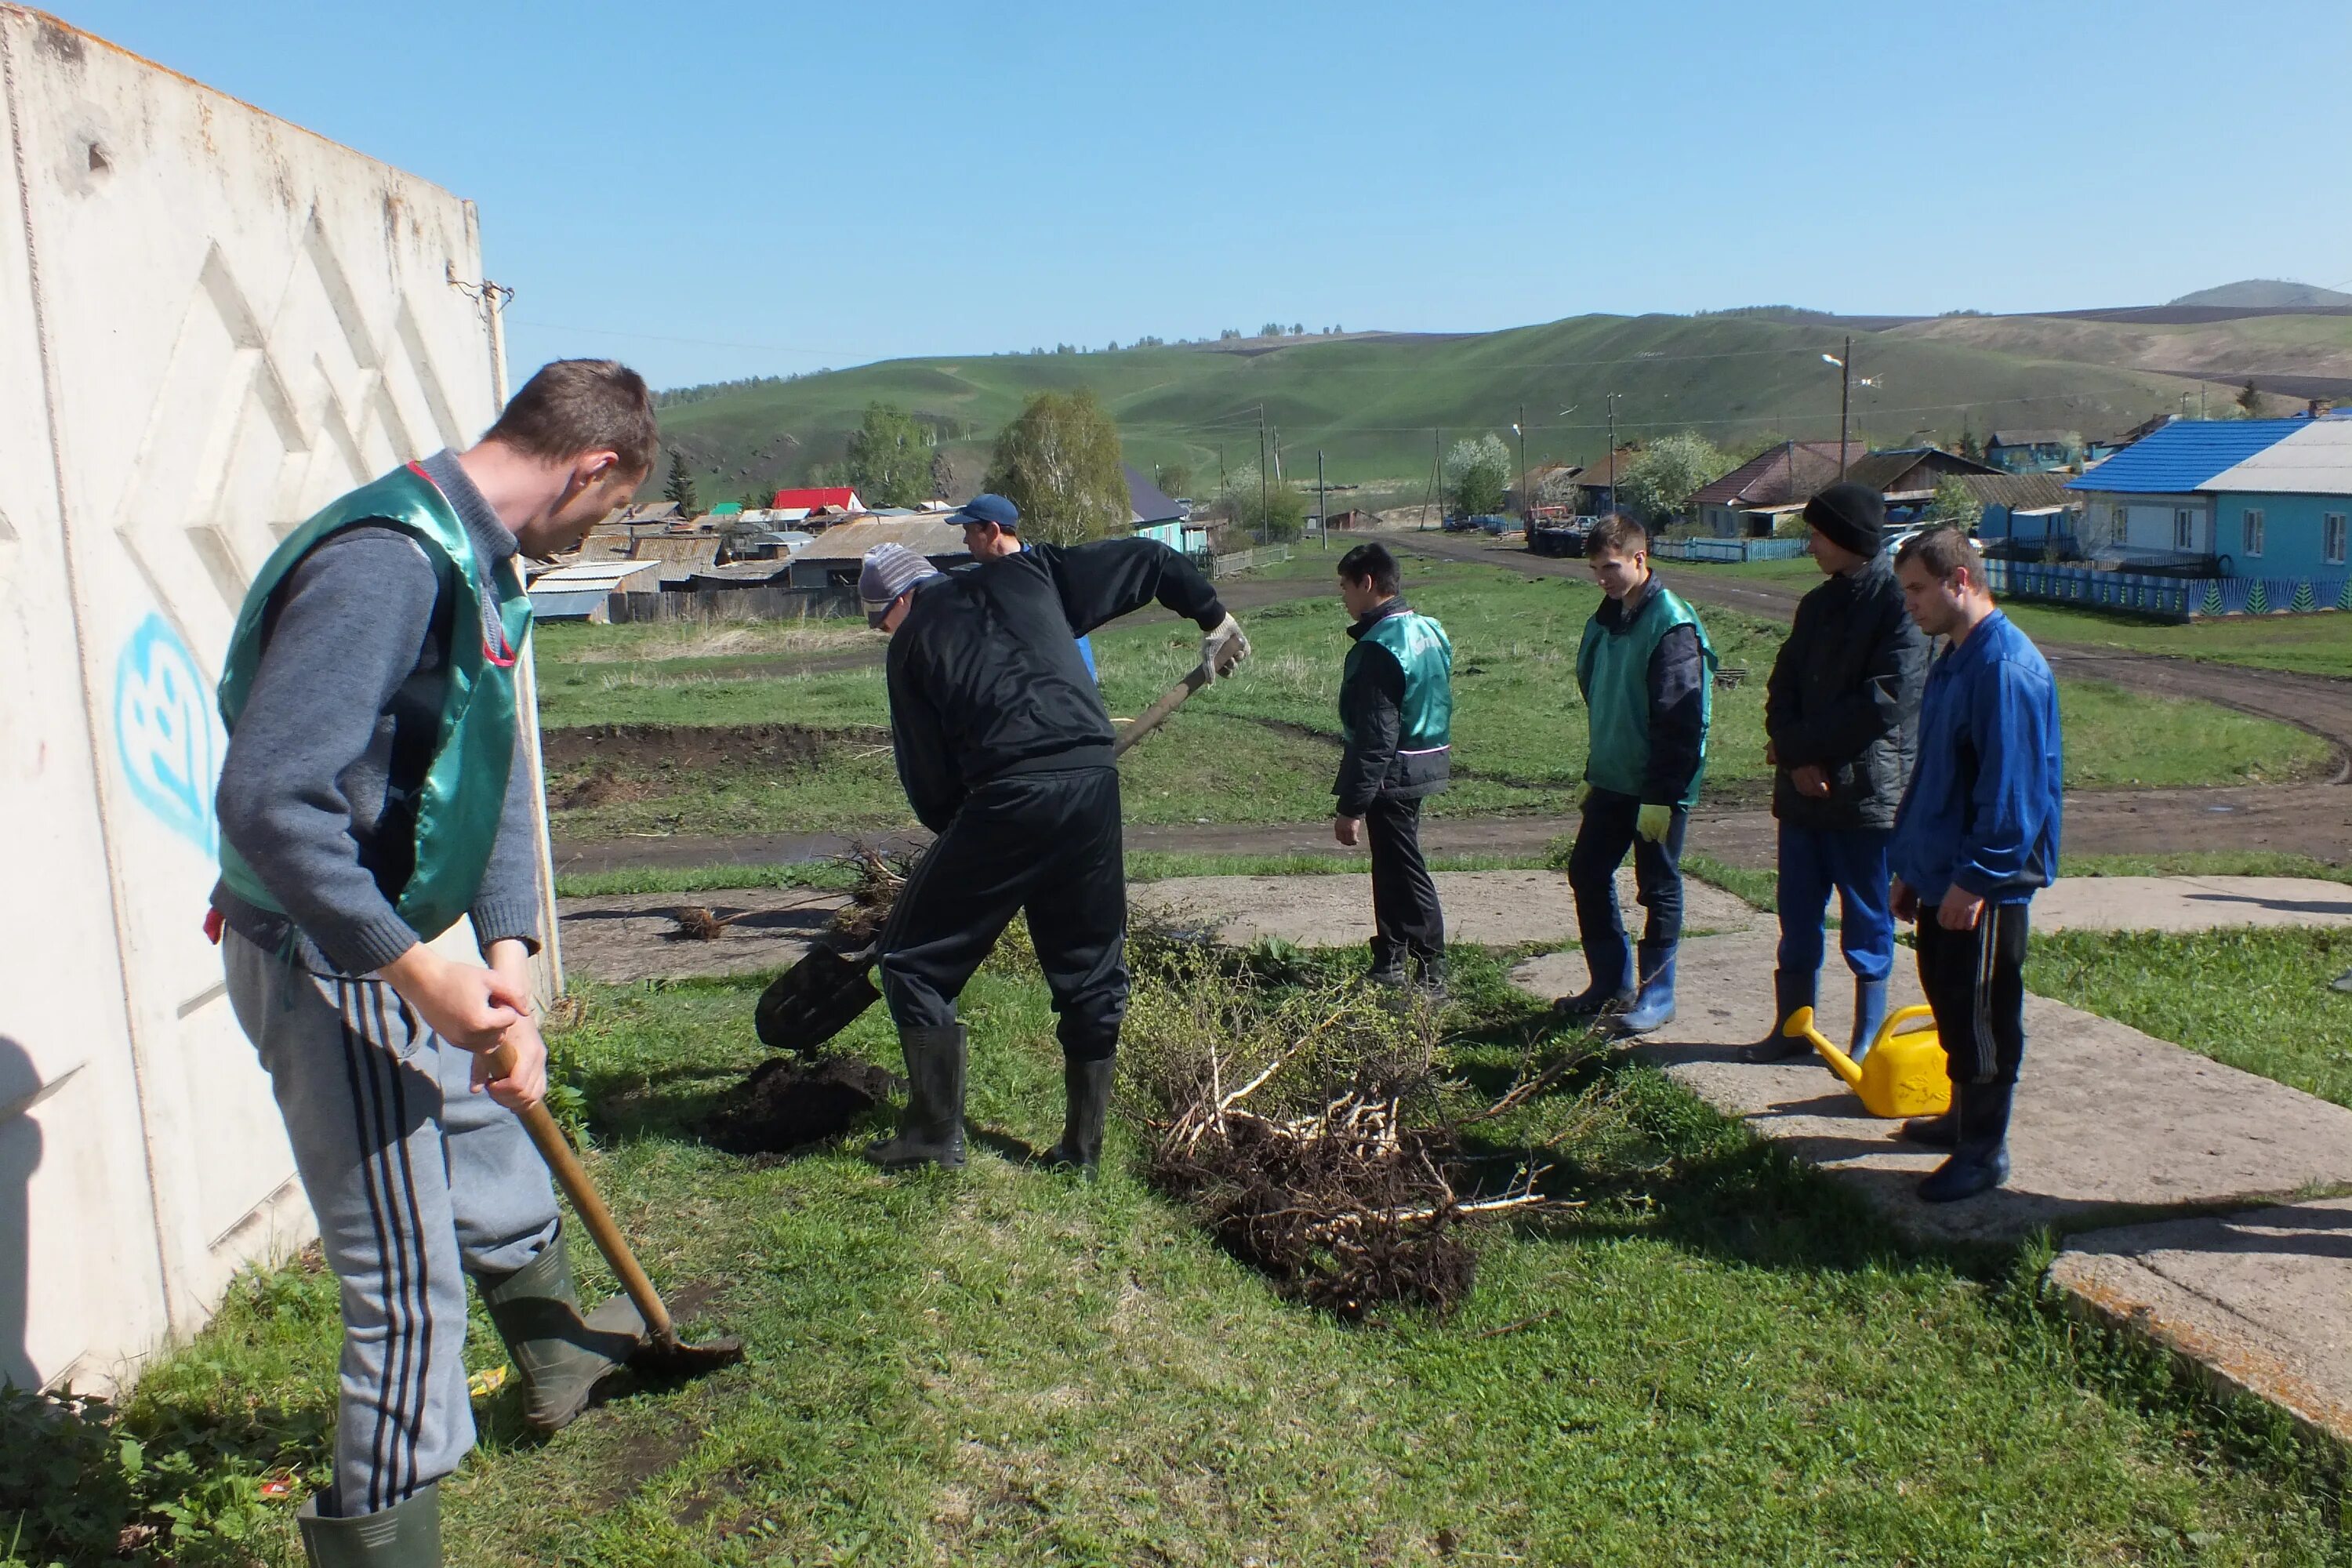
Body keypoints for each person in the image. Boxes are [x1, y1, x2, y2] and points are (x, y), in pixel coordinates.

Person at [211, 361, 659, 1564]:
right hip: (329, 957)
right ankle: (383, 1539)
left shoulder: (475, 562)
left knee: (489, 1144)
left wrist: (503, 960)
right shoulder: (388, 564)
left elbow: (491, 764)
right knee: (408, 1291)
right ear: (592, 465)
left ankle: (563, 1361)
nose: (602, 530)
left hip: (396, 941)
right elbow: (266, 798)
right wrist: (413, 971)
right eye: (612, 511)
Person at [857, 537, 1249, 1176]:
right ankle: (1081, 1153)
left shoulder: (912, 642)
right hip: (1093, 781)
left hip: (1008, 793)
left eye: (880, 620)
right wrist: (1212, 616)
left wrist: (972, 841)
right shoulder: (1030, 574)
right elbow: (1151, 561)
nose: (884, 632)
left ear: (900, 599)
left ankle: (933, 1134)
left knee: (912, 961)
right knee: (1091, 970)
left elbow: (929, 785)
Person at [1888, 527, 2063, 1203]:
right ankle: (1961, 1120)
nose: (1910, 605)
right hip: (1945, 870)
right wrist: (1916, 869)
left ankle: (1985, 1151)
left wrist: (1973, 879)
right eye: (1906, 590)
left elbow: (2012, 793)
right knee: (1949, 998)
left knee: (1985, 1010)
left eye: (1918, 589)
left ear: (1961, 581)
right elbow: (1938, 777)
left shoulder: (2004, 670)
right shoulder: (1956, 657)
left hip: (1988, 882)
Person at [1740, 482, 1929, 1065]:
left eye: (1818, 533)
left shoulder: (1898, 607)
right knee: (1796, 915)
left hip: (1865, 797)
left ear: (1848, 537)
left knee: (1868, 921)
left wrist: (1806, 753)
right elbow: (1783, 686)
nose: (1811, 544)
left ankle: (1867, 1039)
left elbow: (1884, 702)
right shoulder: (1817, 605)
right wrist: (1796, 758)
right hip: (1804, 799)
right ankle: (1793, 1030)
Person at [1555, 514, 1717, 1036]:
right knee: (1586, 871)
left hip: (1658, 788)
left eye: (1610, 567)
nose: (1601, 578)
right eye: (1595, 569)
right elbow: (1596, 691)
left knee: (1658, 886)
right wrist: (1598, 766)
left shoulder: (1672, 625)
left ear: (1640, 560)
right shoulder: (1606, 621)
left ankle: (1658, 994)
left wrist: (1663, 796)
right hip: (1611, 779)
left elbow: (1680, 720)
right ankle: (1611, 982)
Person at [1331, 542, 1454, 996]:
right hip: (1426, 757)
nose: (1342, 597)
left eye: (1344, 587)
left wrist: (1352, 805)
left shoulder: (1380, 647)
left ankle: (1431, 966)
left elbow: (1376, 734)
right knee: (1390, 862)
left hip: (1394, 769)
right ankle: (1391, 955)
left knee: (1404, 867)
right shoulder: (1429, 628)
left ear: (1367, 583)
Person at [953, 492, 1098, 678]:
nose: (965, 540)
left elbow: (1072, 636)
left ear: (992, 531)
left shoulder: (1047, 573)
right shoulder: (981, 581)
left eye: (969, 530)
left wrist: (1084, 680)